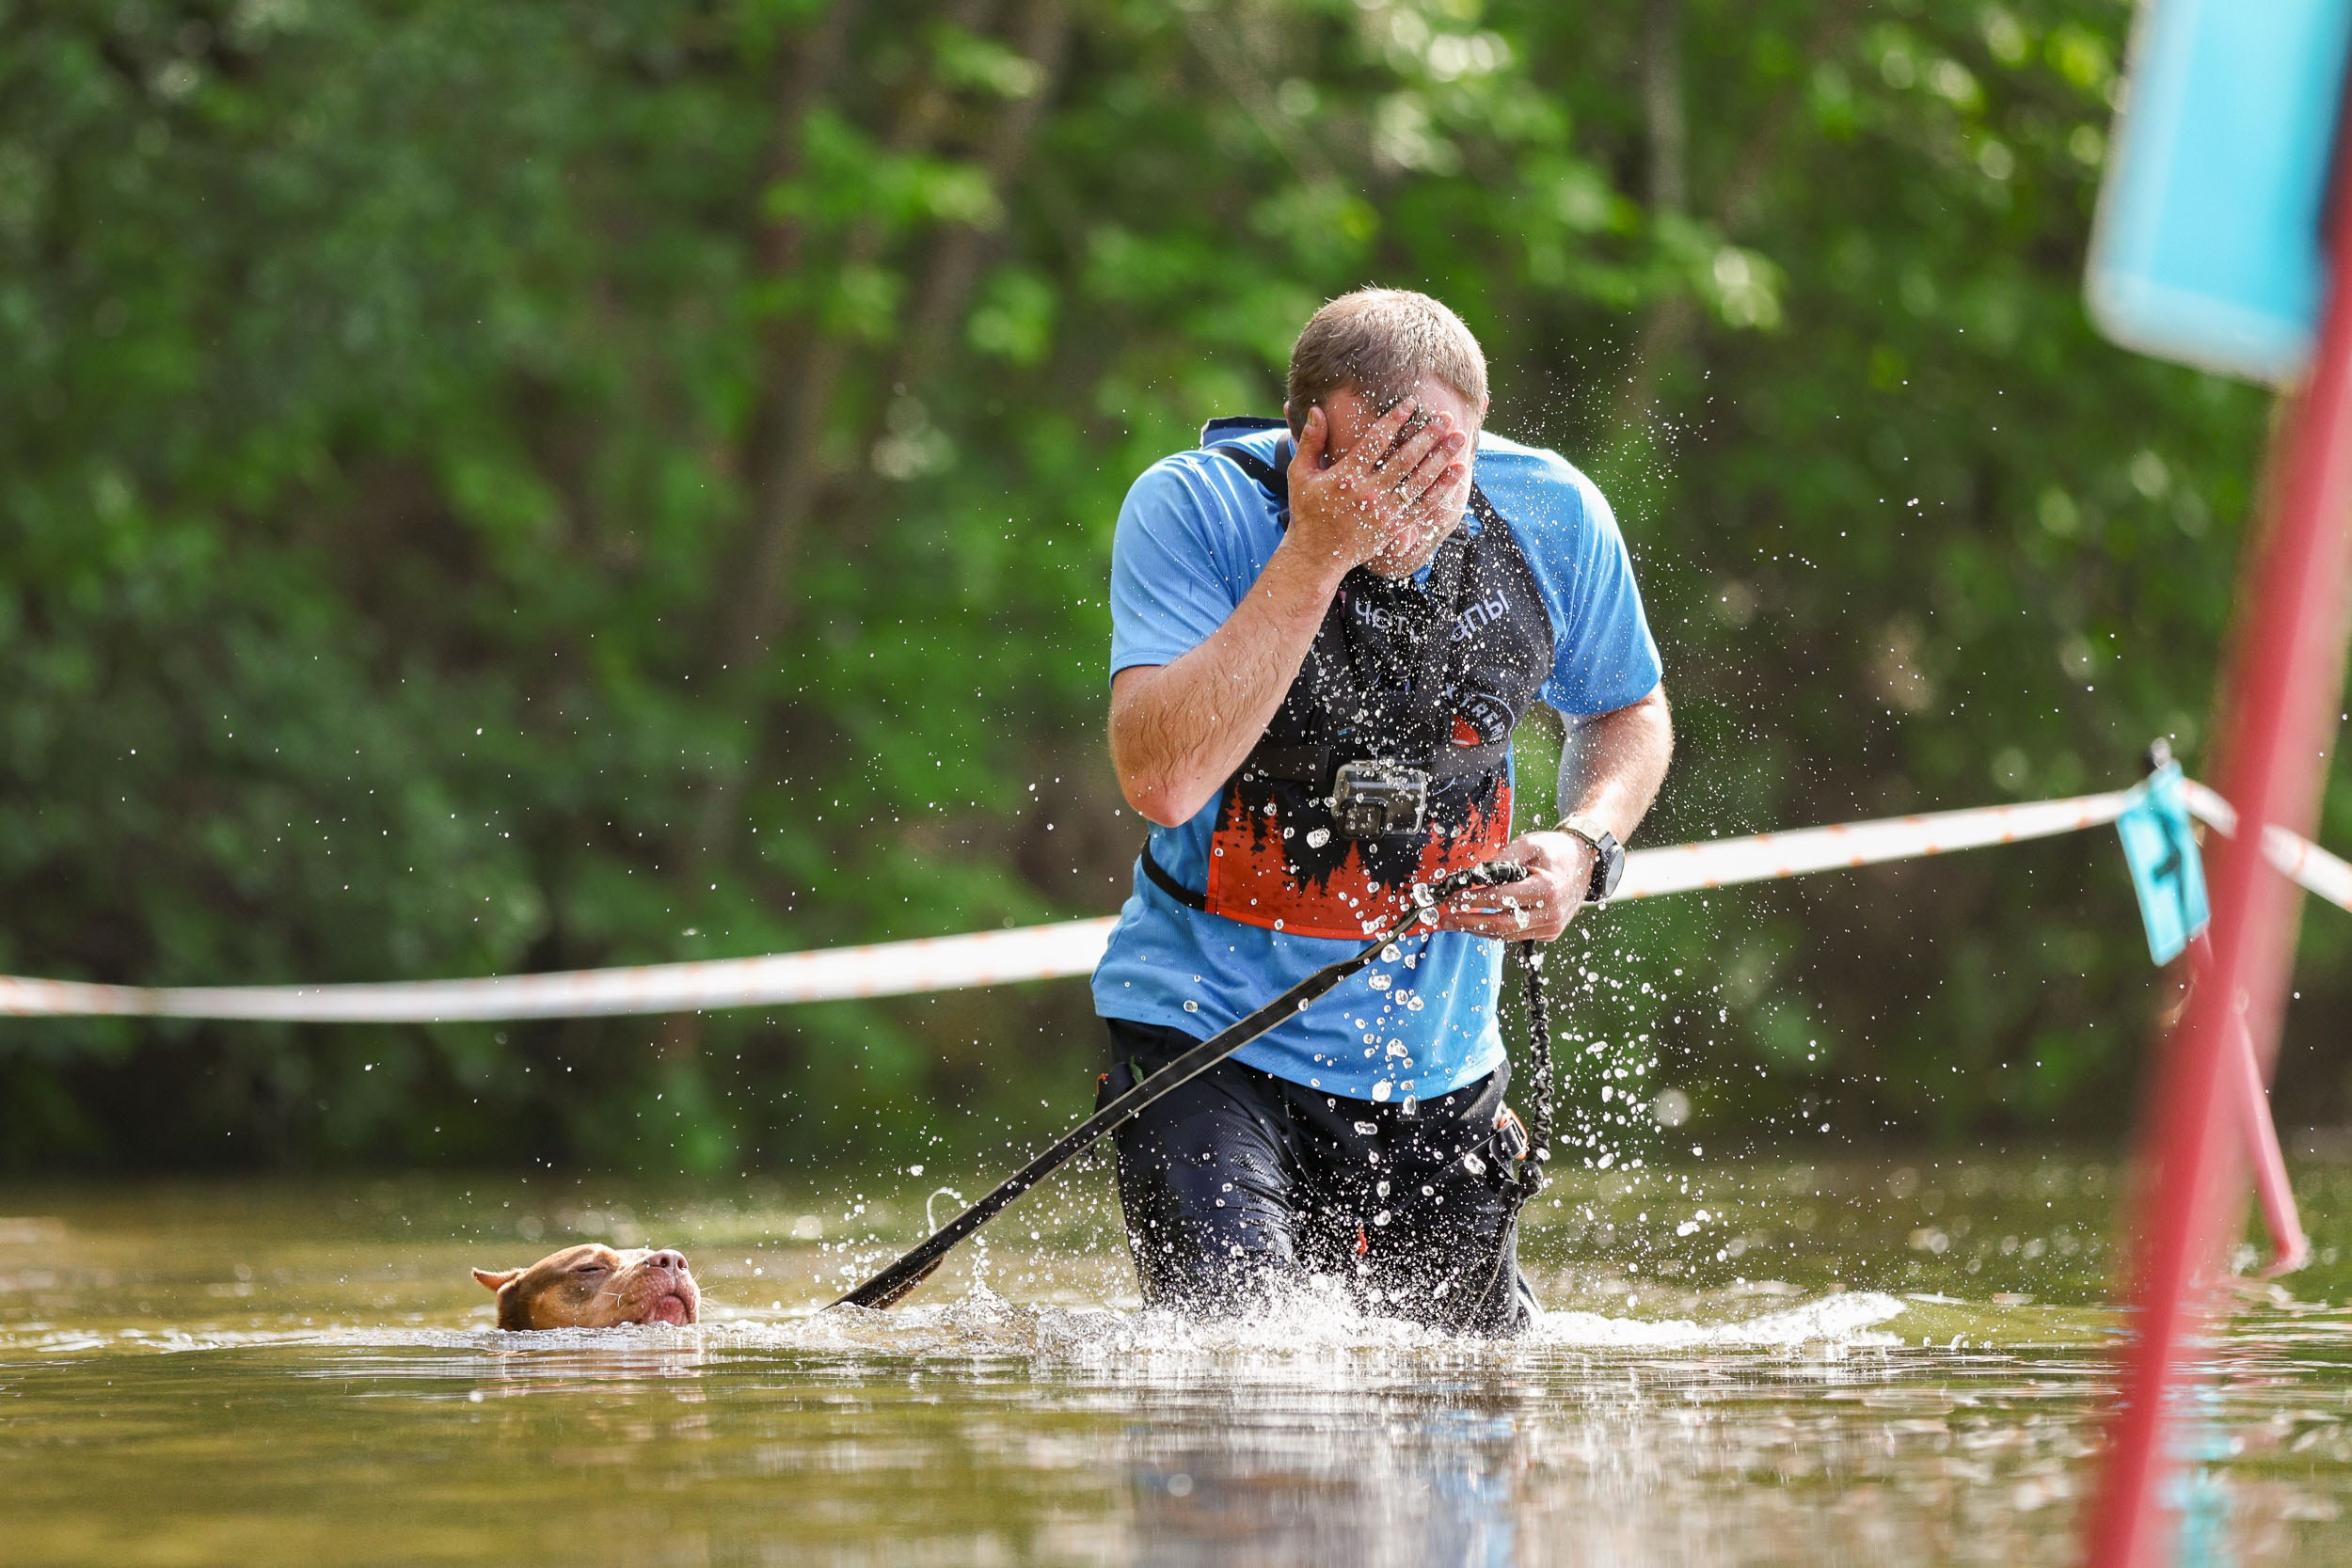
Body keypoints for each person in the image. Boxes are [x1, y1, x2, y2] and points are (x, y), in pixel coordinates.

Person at [1093, 288, 1673, 1337]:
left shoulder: (1551, 515)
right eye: (1378, 466)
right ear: (1310, 436)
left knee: (1469, 1409)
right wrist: (1317, 550)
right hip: (1204, 1038)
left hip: (1438, 1062)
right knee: (1247, 1382)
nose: (1406, 506)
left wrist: (1585, 845)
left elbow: (1629, 711)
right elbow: (1161, 781)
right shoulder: (1196, 509)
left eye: (1438, 468)